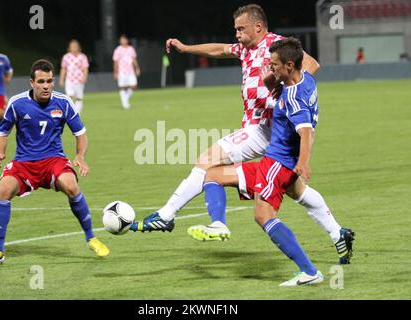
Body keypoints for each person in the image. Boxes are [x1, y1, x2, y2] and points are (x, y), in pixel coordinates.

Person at [130, 4, 354, 264]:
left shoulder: (277, 44)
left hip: (265, 127)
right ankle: (339, 233)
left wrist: (286, 91)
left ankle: (167, 215)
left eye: (240, 29)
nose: (236, 34)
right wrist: (185, 48)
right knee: (295, 189)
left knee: (207, 160)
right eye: (235, 29)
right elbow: (219, 49)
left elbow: (311, 64)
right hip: (271, 132)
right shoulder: (245, 49)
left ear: (258, 27)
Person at [0, 59, 109, 266]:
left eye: (49, 81)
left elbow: (81, 133)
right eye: (41, 81)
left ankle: (91, 238)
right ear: (32, 82)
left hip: (53, 160)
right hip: (24, 163)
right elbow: (2, 131)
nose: (46, 86)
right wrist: (0, 152)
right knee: (3, 190)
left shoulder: (63, 102)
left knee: (71, 185)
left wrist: (80, 156)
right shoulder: (17, 103)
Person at [253, 37, 323, 285]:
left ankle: (309, 271)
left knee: (263, 215)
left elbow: (306, 131)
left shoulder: (293, 97)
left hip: (278, 161)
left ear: (290, 65)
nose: (271, 68)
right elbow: (312, 65)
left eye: (274, 65)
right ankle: (335, 234)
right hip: (282, 160)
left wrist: (304, 163)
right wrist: (271, 79)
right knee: (220, 177)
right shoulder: (306, 79)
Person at [59, 39, 89, 113]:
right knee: (69, 96)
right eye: (72, 46)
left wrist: (85, 77)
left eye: (75, 46)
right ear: (69, 47)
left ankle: (77, 112)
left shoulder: (82, 56)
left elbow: (85, 68)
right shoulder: (66, 57)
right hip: (69, 79)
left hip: (79, 79)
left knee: (79, 97)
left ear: (78, 47)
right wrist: (61, 79)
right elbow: (63, 69)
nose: (74, 47)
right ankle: (70, 112)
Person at [112, 34, 141, 109]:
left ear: (127, 40)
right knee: (122, 87)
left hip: (130, 71)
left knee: (134, 86)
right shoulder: (118, 49)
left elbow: (134, 59)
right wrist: (115, 72)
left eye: (124, 39)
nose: (123, 41)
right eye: (121, 40)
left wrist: (137, 68)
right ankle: (125, 104)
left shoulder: (131, 49)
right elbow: (115, 61)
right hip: (122, 71)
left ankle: (125, 100)